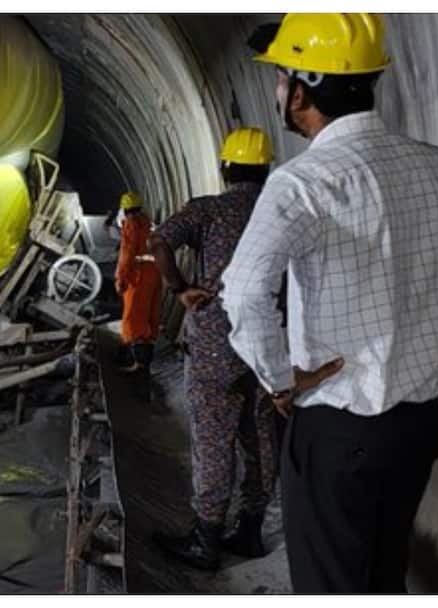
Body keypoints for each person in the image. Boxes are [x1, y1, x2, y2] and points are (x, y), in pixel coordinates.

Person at [221, 13, 438, 593]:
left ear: (301, 88)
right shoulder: (434, 167)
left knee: (331, 585)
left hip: (338, 429)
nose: (276, 93)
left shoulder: (302, 183)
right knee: (382, 573)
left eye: (279, 79)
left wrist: (278, 379)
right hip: (417, 426)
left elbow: (243, 290)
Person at [147, 127, 278, 570]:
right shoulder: (282, 208)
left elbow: (159, 240)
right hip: (269, 342)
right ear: (266, 169)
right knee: (260, 434)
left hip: (215, 342)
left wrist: (179, 288)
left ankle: (206, 537)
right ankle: (251, 528)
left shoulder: (209, 209)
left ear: (225, 168)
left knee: (213, 436)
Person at [114, 191, 162, 400]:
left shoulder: (131, 224)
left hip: (138, 274)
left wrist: (121, 278)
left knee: (133, 318)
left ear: (125, 210)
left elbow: (127, 252)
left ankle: (138, 365)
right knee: (151, 316)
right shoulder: (149, 222)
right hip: (155, 271)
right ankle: (146, 362)